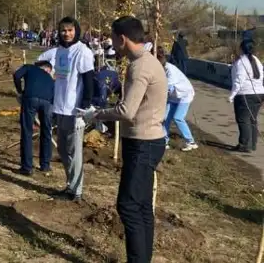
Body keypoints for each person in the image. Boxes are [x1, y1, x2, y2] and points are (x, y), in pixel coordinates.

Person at [79, 16, 167, 263]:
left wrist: (95, 114)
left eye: (113, 38)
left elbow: (127, 111)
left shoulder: (141, 67)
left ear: (123, 38)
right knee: (141, 206)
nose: (112, 44)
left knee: (128, 206)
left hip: (143, 144)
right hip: (147, 141)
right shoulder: (146, 62)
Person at [37, 17, 94, 201]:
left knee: (74, 151)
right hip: (60, 108)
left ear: (76, 31)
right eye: (63, 30)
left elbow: (89, 80)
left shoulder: (83, 52)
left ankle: (76, 191)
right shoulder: (60, 51)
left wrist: (84, 106)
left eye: (70, 30)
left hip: (74, 110)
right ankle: (70, 184)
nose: (66, 34)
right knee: (62, 149)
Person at [12, 61, 55, 176]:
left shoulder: (29, 67)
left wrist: (20, 90)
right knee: (46, 132)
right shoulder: (51, 79)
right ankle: (45, 165)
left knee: (27, 132)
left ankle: (27, 167)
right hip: (48, 103)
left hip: (30, 98)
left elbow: (16, 75)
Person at [156, 47, 198, 151]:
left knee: (178, 117)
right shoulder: (161, 68)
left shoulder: (170, 70)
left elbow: (167, 88)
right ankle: (164, 141)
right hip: (174, 96)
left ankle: (191, 141)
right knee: (165, 118)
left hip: (184, 95)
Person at [229, 39, 264, 153]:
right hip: (259, 94)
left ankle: (244, 145)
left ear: (242, 48)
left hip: (245, 94)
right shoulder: (256, 60)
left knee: (243, 119)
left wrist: (232, 95)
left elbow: (239, 80)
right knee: (252, 119)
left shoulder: (242, 62)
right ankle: (252, 144)